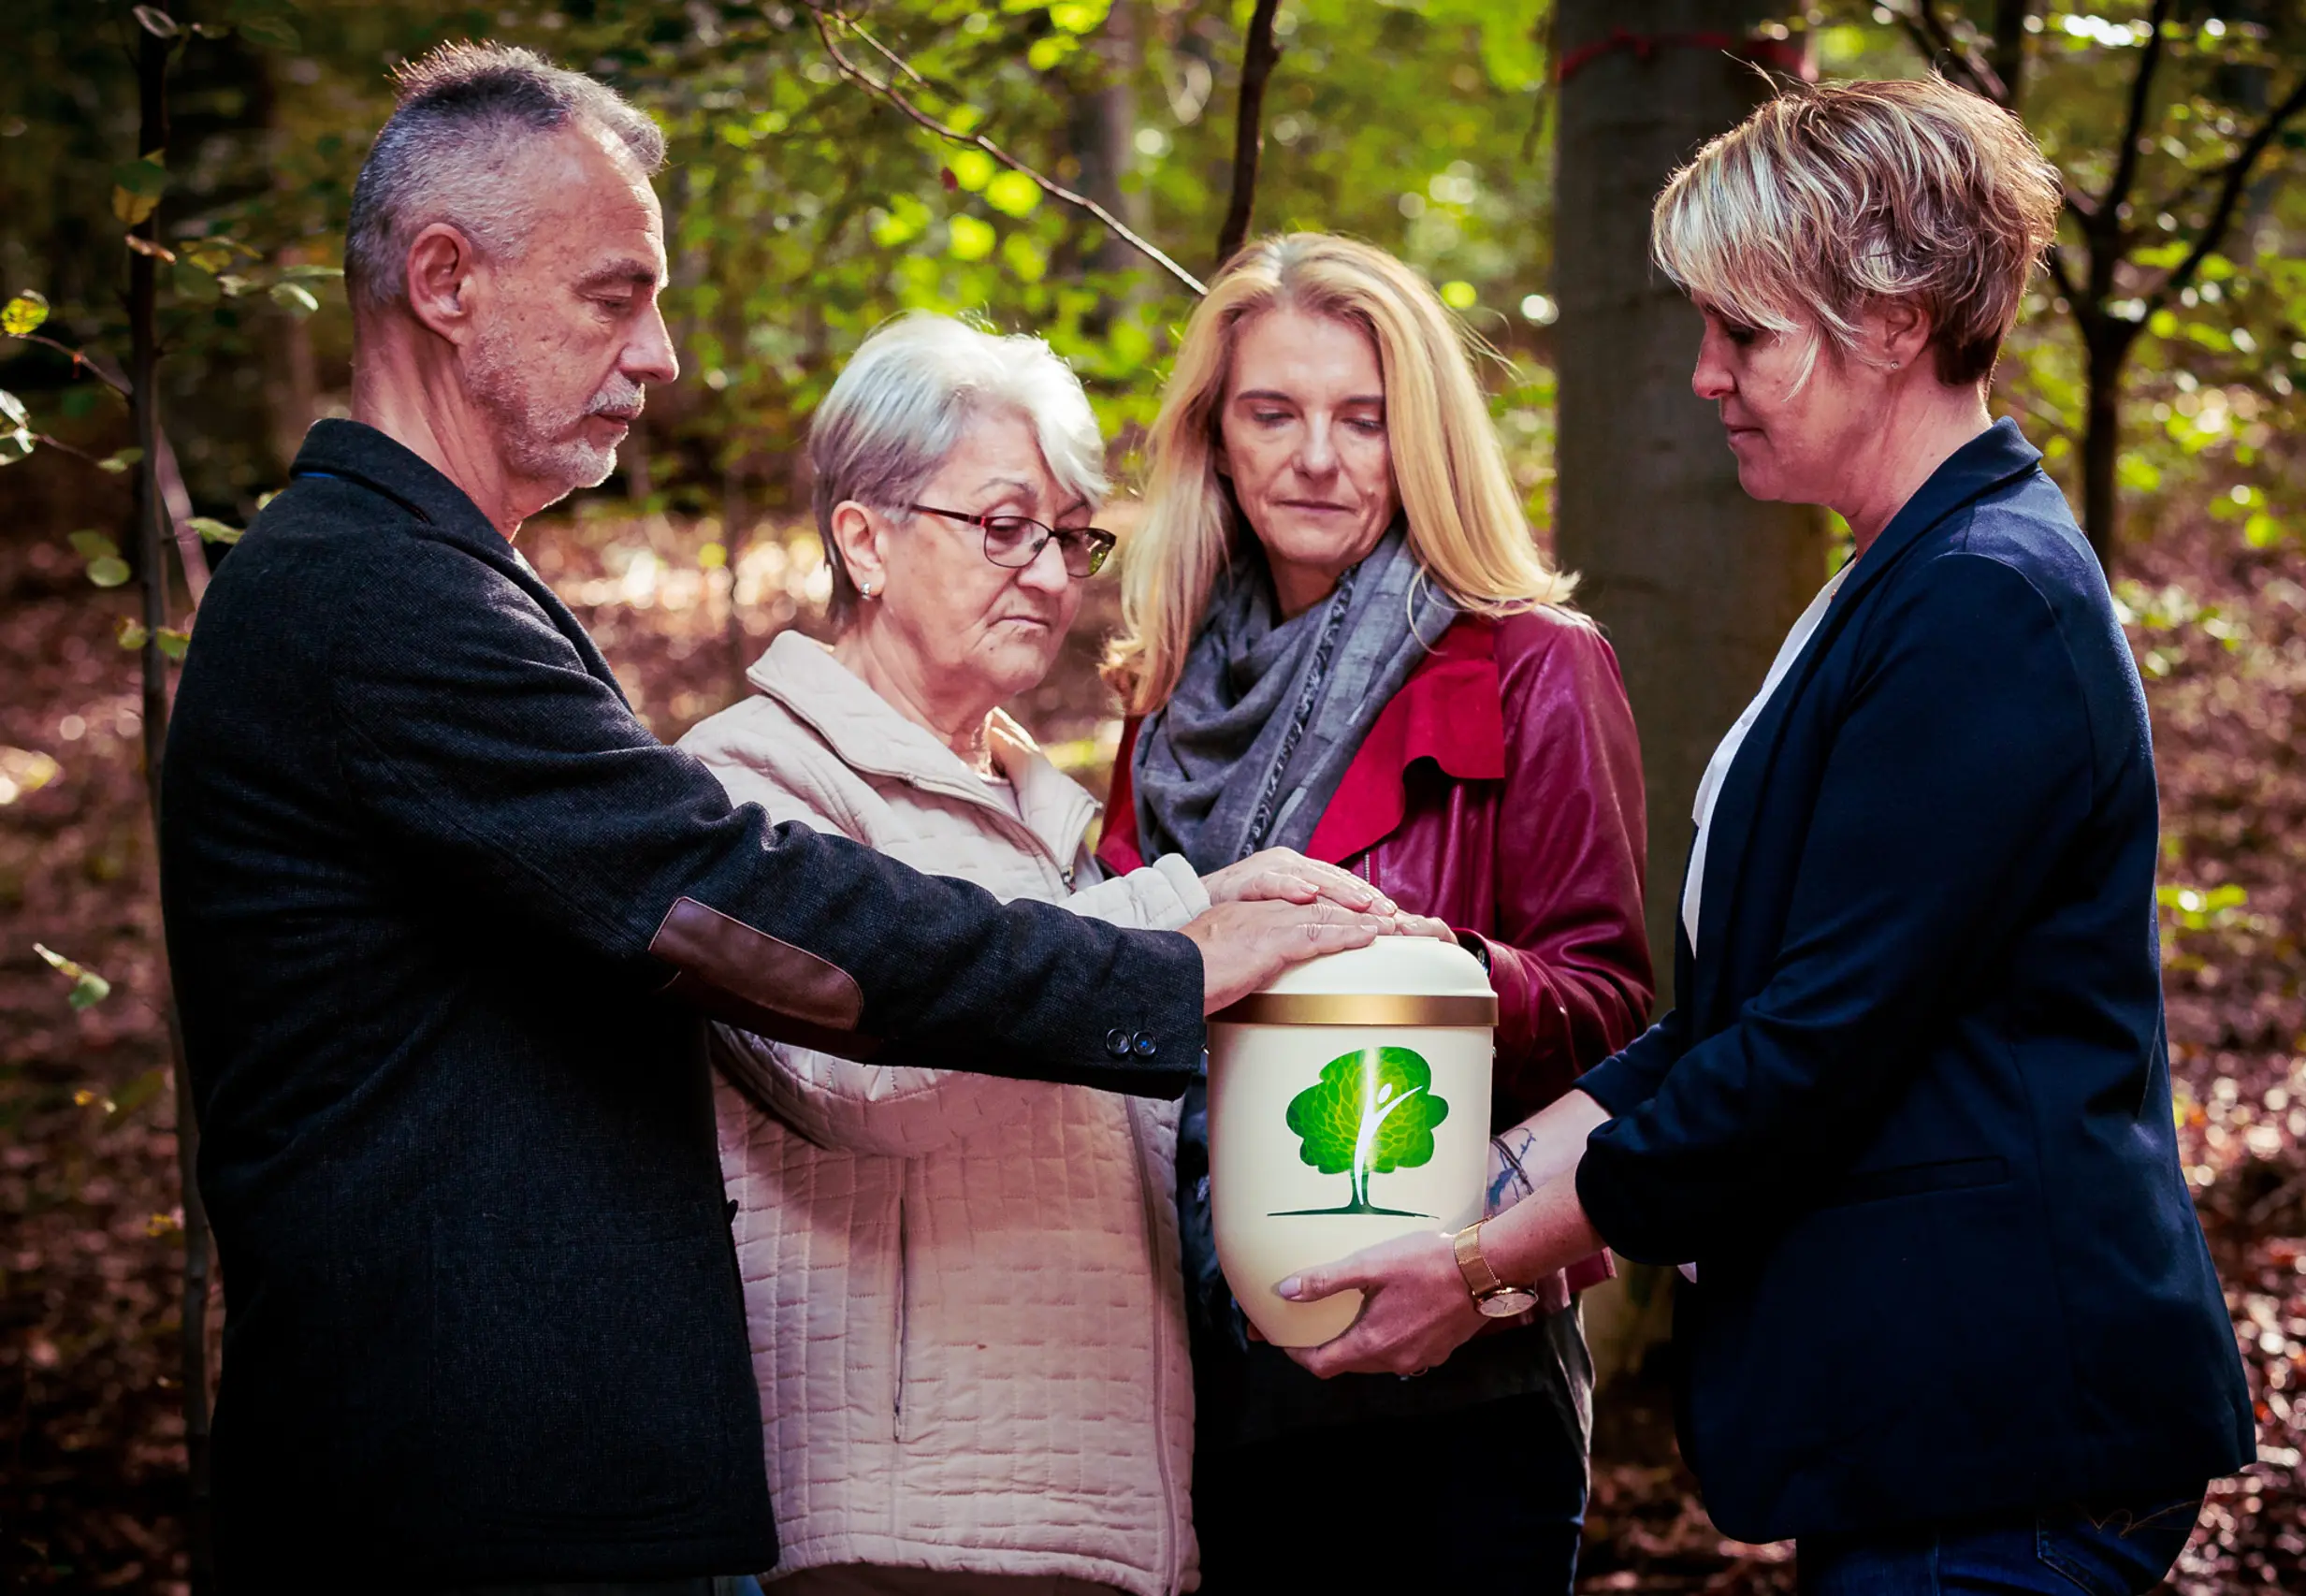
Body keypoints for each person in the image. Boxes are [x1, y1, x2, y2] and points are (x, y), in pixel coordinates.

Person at [157, 48, 1393, 1591]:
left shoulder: (436, 584)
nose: (662, 355)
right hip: (469, 1495)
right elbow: (739, 903)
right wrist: (1169, 959)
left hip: (544, 1488)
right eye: (617, 296)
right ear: (445, 278)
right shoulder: (370, 597)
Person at [1276, 79, 2257, 1596]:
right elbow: (1732, 1024)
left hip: (2008, 1437)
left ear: (1893, 317)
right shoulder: (1901, 574)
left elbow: (1811, 1050)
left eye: (1746, 332)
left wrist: (1478, 1263)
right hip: (1925, 1440)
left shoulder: (1985, 595)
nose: (1704, 375)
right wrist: (1471, 1181)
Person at [682, 313, 1417, 1596]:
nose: (1047, 572)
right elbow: (875, 1075)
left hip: (1097, 1521)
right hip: (904, 1527)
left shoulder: (1055, 825)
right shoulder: (757, 782)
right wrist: (1189, 935)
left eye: (1070, 536)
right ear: (864, 537)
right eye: (1001, 525)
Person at [1095, 233, 1654, 1593]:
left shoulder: (1534, 663)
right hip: (1200, 1370)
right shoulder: (1163, 695)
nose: (1319, 459)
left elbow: (1616, 1011)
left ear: (1421, 440)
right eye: (1272, 413)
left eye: (1365, 418)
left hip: (1449, 1375)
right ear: (1215, 440)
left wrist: (1428, 966)